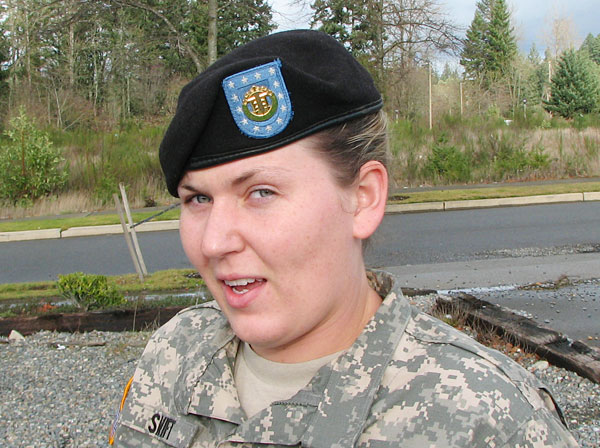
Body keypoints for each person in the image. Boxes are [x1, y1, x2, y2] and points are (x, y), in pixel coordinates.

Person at [109, 30, 578, 447]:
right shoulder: (176, 353)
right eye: (197, 199)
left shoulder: (486, 418)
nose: (214, 243)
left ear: (363, 198)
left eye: (261, 192)